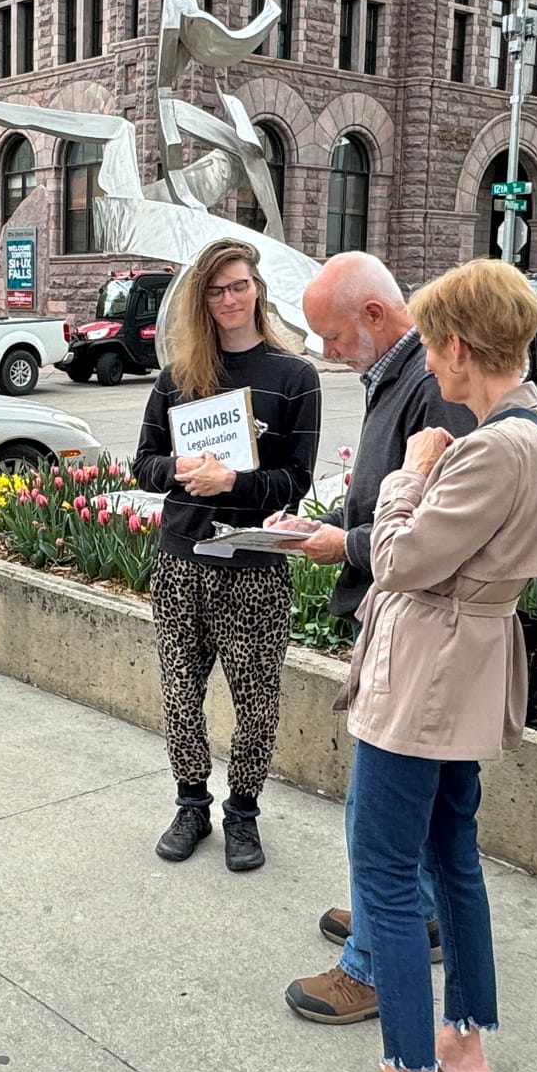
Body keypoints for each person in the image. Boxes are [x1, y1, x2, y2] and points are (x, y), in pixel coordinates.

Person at [315, 258, 537, 1072]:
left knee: (382, 869)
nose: (429, 358)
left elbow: (401, 560)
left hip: (423, 675)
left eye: (431, 341)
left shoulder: (494, 445)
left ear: (456, 344)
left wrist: (408, 474)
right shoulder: (536, 428)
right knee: (451, 856)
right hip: (467, 673)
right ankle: (462, 1046)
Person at [265, 251, 478, 1026]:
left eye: (330, 335)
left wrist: (340, 546)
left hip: (417, 629)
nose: (323, 352)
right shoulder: (400, 377)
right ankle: (411, 921)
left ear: (377, 317)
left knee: (378, 817)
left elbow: (429, 538)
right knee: (424, 814)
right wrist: (321, 528)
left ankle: (372, 966)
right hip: (413, 620)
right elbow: (393, 507)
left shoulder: (430, 387)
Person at [134, 237, 321, 872]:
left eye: (238, 285)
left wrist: (234, 484)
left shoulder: (295, 377)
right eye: (216, 290)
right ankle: (191, 804)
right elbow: (144, 463)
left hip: (254, 566)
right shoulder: (179, 378)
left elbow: (297, 480)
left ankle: (243, 813)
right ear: (201, 301)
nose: (229, 299)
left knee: (257, 700)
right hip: (182, 559)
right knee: (180, 693)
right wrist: (180, 470)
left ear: (258, 289)